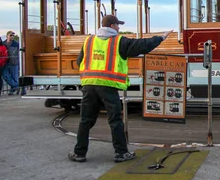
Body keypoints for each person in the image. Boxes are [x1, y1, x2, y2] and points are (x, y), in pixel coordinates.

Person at [68, 15, 171, 163]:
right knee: (115, 120)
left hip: (89, 86)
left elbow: (80, 61)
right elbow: (141, 45)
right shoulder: (118, 41)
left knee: (85, 120)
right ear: (111, 26)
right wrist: (160, 38)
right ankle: (121, 153)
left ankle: (79, 153)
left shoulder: (89, 41)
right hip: (108, 87)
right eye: (118, 25)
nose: (119, 28)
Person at [2, 31, 22, 95]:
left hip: (14, 62)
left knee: (14, 77)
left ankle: (12, 89)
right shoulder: (3, 43)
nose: (12, 36)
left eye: (13, 35)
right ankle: (16, 86)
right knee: (5, 75)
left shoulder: (16, 44)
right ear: (7, 36)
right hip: (5, 62)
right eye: (10, 35)